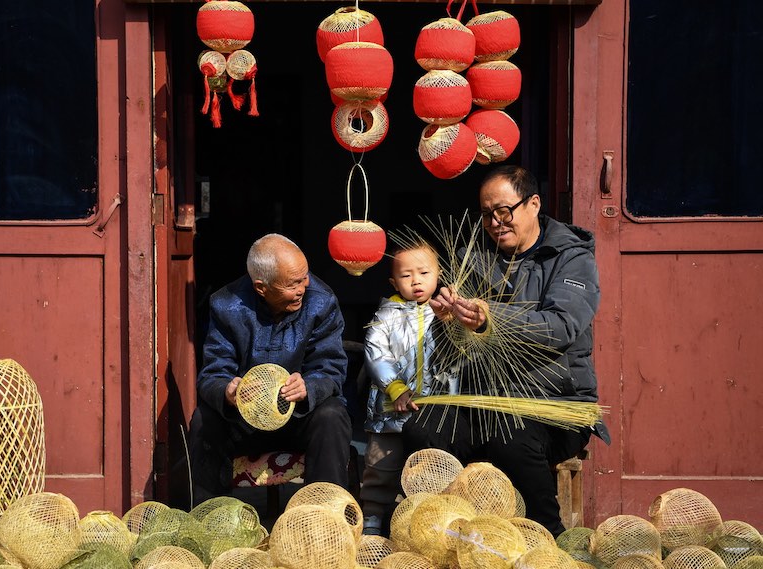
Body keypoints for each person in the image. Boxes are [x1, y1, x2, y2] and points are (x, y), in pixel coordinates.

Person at [402, 164, 610, 537]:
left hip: (554, 402)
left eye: (504, 211)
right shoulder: (473, 257)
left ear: (533, 204)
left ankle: (550, 537)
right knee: (424, 429)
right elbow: (448, 355)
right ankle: (444, 532)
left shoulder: (571, 258)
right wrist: (449, 322)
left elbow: (560, 327)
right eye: (486, 215)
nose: (496, 222)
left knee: (509, 437)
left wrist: (489, 318)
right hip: (483, 399)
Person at [188, 233, 352, 505]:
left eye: (304, 277)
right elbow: (212, 373)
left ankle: (326, 517)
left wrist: (308, 387)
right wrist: (228, 390)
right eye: (293, 283)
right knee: (205, 420)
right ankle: (210, 518)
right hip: (244, 422)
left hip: (299, 418)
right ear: (261, 287)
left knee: (332, 414)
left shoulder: (321, 302)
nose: (303, 287)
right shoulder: (227, 305)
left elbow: (331, 367)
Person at [360, 242, 457, 535]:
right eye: (406, 275)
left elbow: (458, 355)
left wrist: (453, 323)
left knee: (431, 467)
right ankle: (374, 517)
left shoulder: (445, 314)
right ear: (393, 282)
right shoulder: (385, 316)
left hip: (432, 411)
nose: (416, 281)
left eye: (424, 272)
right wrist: (396, 388)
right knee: (380, 465)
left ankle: (430, 519)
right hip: (389, 410)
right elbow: (376, 353)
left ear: (438, 274)